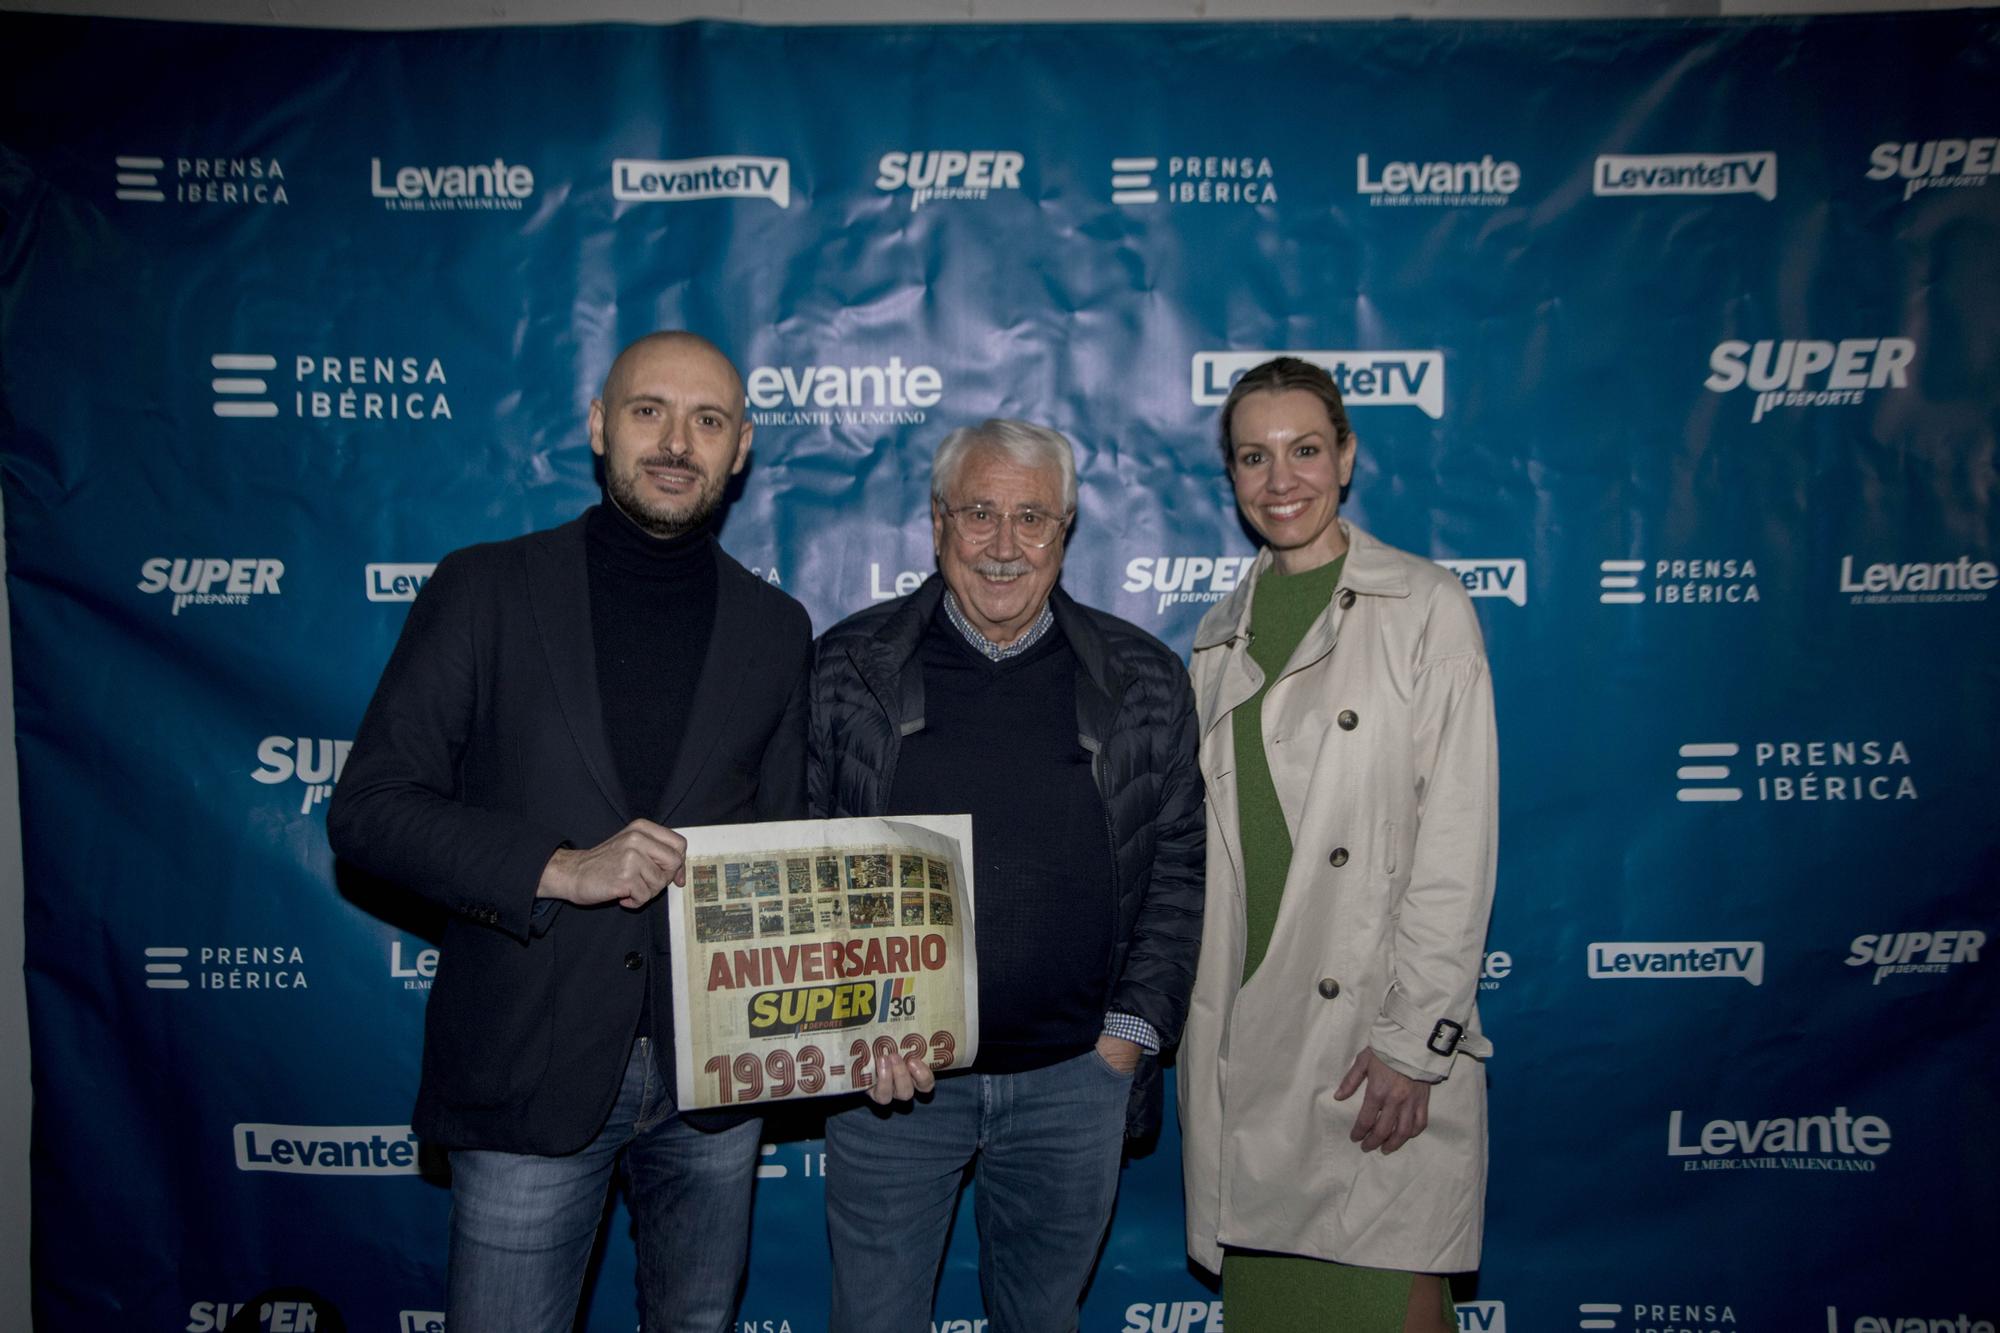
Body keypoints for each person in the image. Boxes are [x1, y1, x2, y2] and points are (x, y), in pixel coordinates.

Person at [326, 331, 811, 1333]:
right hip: (525, 1060)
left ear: (741, 449)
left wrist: (861, 1024)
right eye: (649, 410)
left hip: (715, 1077)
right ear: (598, 425)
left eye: (707, 420)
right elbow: (369, 808)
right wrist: (556, 867)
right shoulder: (484, 588)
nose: (677, 441)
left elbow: (786, 849)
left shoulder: (775, 629)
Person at [807, 418, 1205, 1333]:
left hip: (1075, 1080)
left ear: (1066, 530)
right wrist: (855, 1022)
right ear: (937, 522)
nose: (1003, 544)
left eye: (1032, 517)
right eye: (979, 512)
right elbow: (801, 863)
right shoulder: (846, 668)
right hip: (892, 1087)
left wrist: (1127, 1037)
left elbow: (1180, 864)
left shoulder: (1143, 676)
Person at [1177, 357, 1498, 1332]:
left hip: (1368, 1050)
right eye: (1252, 456)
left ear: (1346, 456)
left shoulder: (1425, 606)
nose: (1281, 480)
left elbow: (1457, 842)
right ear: (1228, 477)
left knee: (1390, 1297)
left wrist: (1413, 1043)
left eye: (1304, 449)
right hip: (1249, 1048)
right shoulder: (1212, 638)